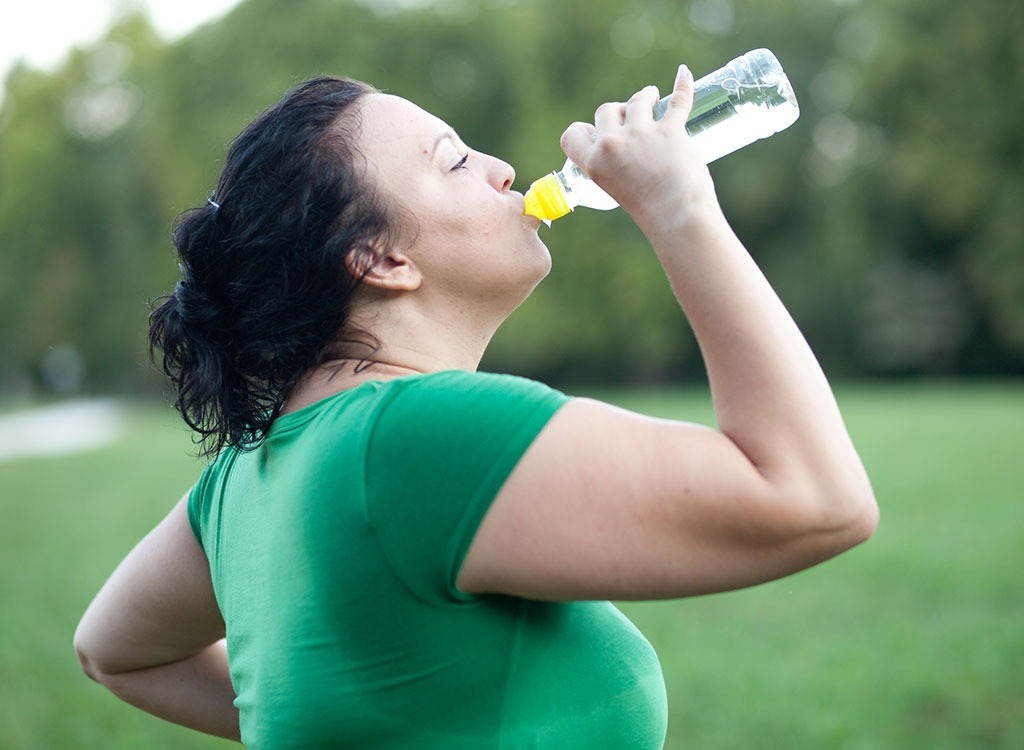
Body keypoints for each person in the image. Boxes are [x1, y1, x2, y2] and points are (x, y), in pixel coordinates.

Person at [74, 66, 878, 749]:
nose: (501, 169)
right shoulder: (420, 433)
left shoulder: (243, 480)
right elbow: (813, 498)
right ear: (381, 258)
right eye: (454, 161)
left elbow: (114, 652)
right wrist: (680, 209)